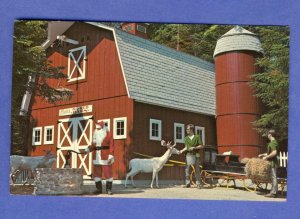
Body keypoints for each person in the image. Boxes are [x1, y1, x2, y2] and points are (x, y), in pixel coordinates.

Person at [85, 121, 114, 195]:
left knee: (108, 172)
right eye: (96, 129)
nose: (97, 130)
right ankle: (98, 189)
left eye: (98, 129)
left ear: (103, 128)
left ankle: (108, 189)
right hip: (96, 156)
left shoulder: (108, 134)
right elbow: (93, 145)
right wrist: (88, 149)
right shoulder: (95, 134)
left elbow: (112, 145)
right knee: (97, 173)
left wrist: (111, 154)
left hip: (105, 155)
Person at [179, 124, 205, 189]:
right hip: (188, 155)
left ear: (191, 129)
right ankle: (187, 183)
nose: (186, 130)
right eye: (186, 129)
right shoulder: (186, 138)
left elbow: (201, 146)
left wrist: (194, 148)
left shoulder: (197, 136)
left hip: (196, 155)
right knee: (187, 170)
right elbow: (186, 147)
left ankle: (198, 184)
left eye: (187, 129)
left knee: (197, 170)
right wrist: (181, 151)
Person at [258, 129, 278, 198]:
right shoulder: (272, 142)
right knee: (273, 178)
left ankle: (273, 193)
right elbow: (269, 153)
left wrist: (266, 157)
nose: (267, 136)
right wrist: (262, 155)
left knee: (273, 177)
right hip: (271, 163)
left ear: (270, 135)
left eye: (268, 134)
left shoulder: (273, 142)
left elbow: (274, 152)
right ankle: (273, 191)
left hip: (273, 163)